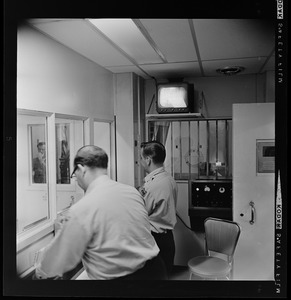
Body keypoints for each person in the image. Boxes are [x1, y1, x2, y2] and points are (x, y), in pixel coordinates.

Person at [34, 145, 167, 280]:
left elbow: (54, 263)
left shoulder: (82, 208)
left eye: (74, 174)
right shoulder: (132, 192)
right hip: (155, 271)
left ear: (81, 169)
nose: (76, 178)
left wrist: (39, 272)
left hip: (123, 283)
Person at [138, 141, 178, 277]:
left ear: (148, 160)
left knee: (154, 283)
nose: (140, 161)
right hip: (167, 238)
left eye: (141, 158)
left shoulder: (155, 185)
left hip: (156, 239)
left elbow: (141, 214)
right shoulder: (167, 179)